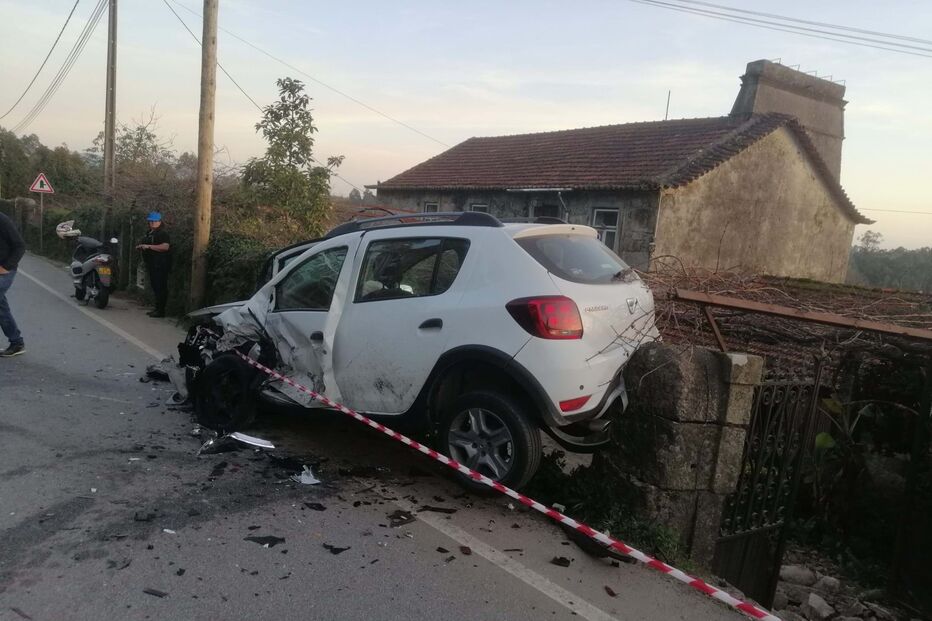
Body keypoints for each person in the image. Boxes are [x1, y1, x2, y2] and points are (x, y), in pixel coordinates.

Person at [0, 211, 26, 357]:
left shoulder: (2, 220)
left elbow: (20, 246)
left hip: (4, 271)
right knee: (1, 309)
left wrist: (6, 266)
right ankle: (16, 343)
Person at [136, 211, 172, 318]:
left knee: (160, 287)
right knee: (155, 287)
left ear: (160, 222)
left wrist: (149, 247)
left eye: (154, 221)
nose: (152, 223)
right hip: (152, 264)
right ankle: (157, 308)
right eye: (150, 221)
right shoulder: (149, 233)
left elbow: (165, 247)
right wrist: (141, 247)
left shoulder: (163, 233)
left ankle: (161, 311)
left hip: (160, 265)